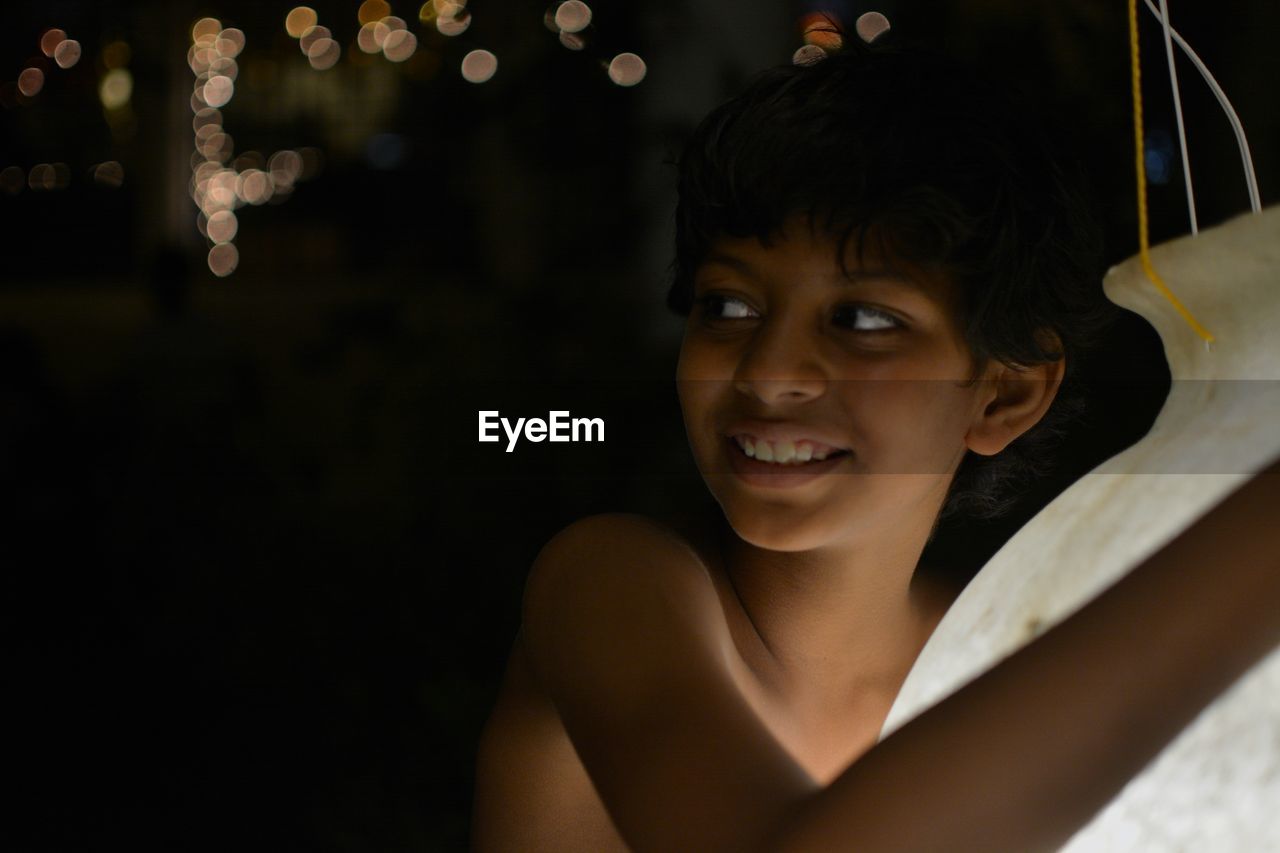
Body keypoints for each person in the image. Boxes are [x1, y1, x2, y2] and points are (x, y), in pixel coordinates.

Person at [471, 36, 1280, 852]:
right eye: (728, 306)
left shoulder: (999, 644)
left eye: (864, 321)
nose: (772, 372)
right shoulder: (612, 585)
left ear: (1005, 392)